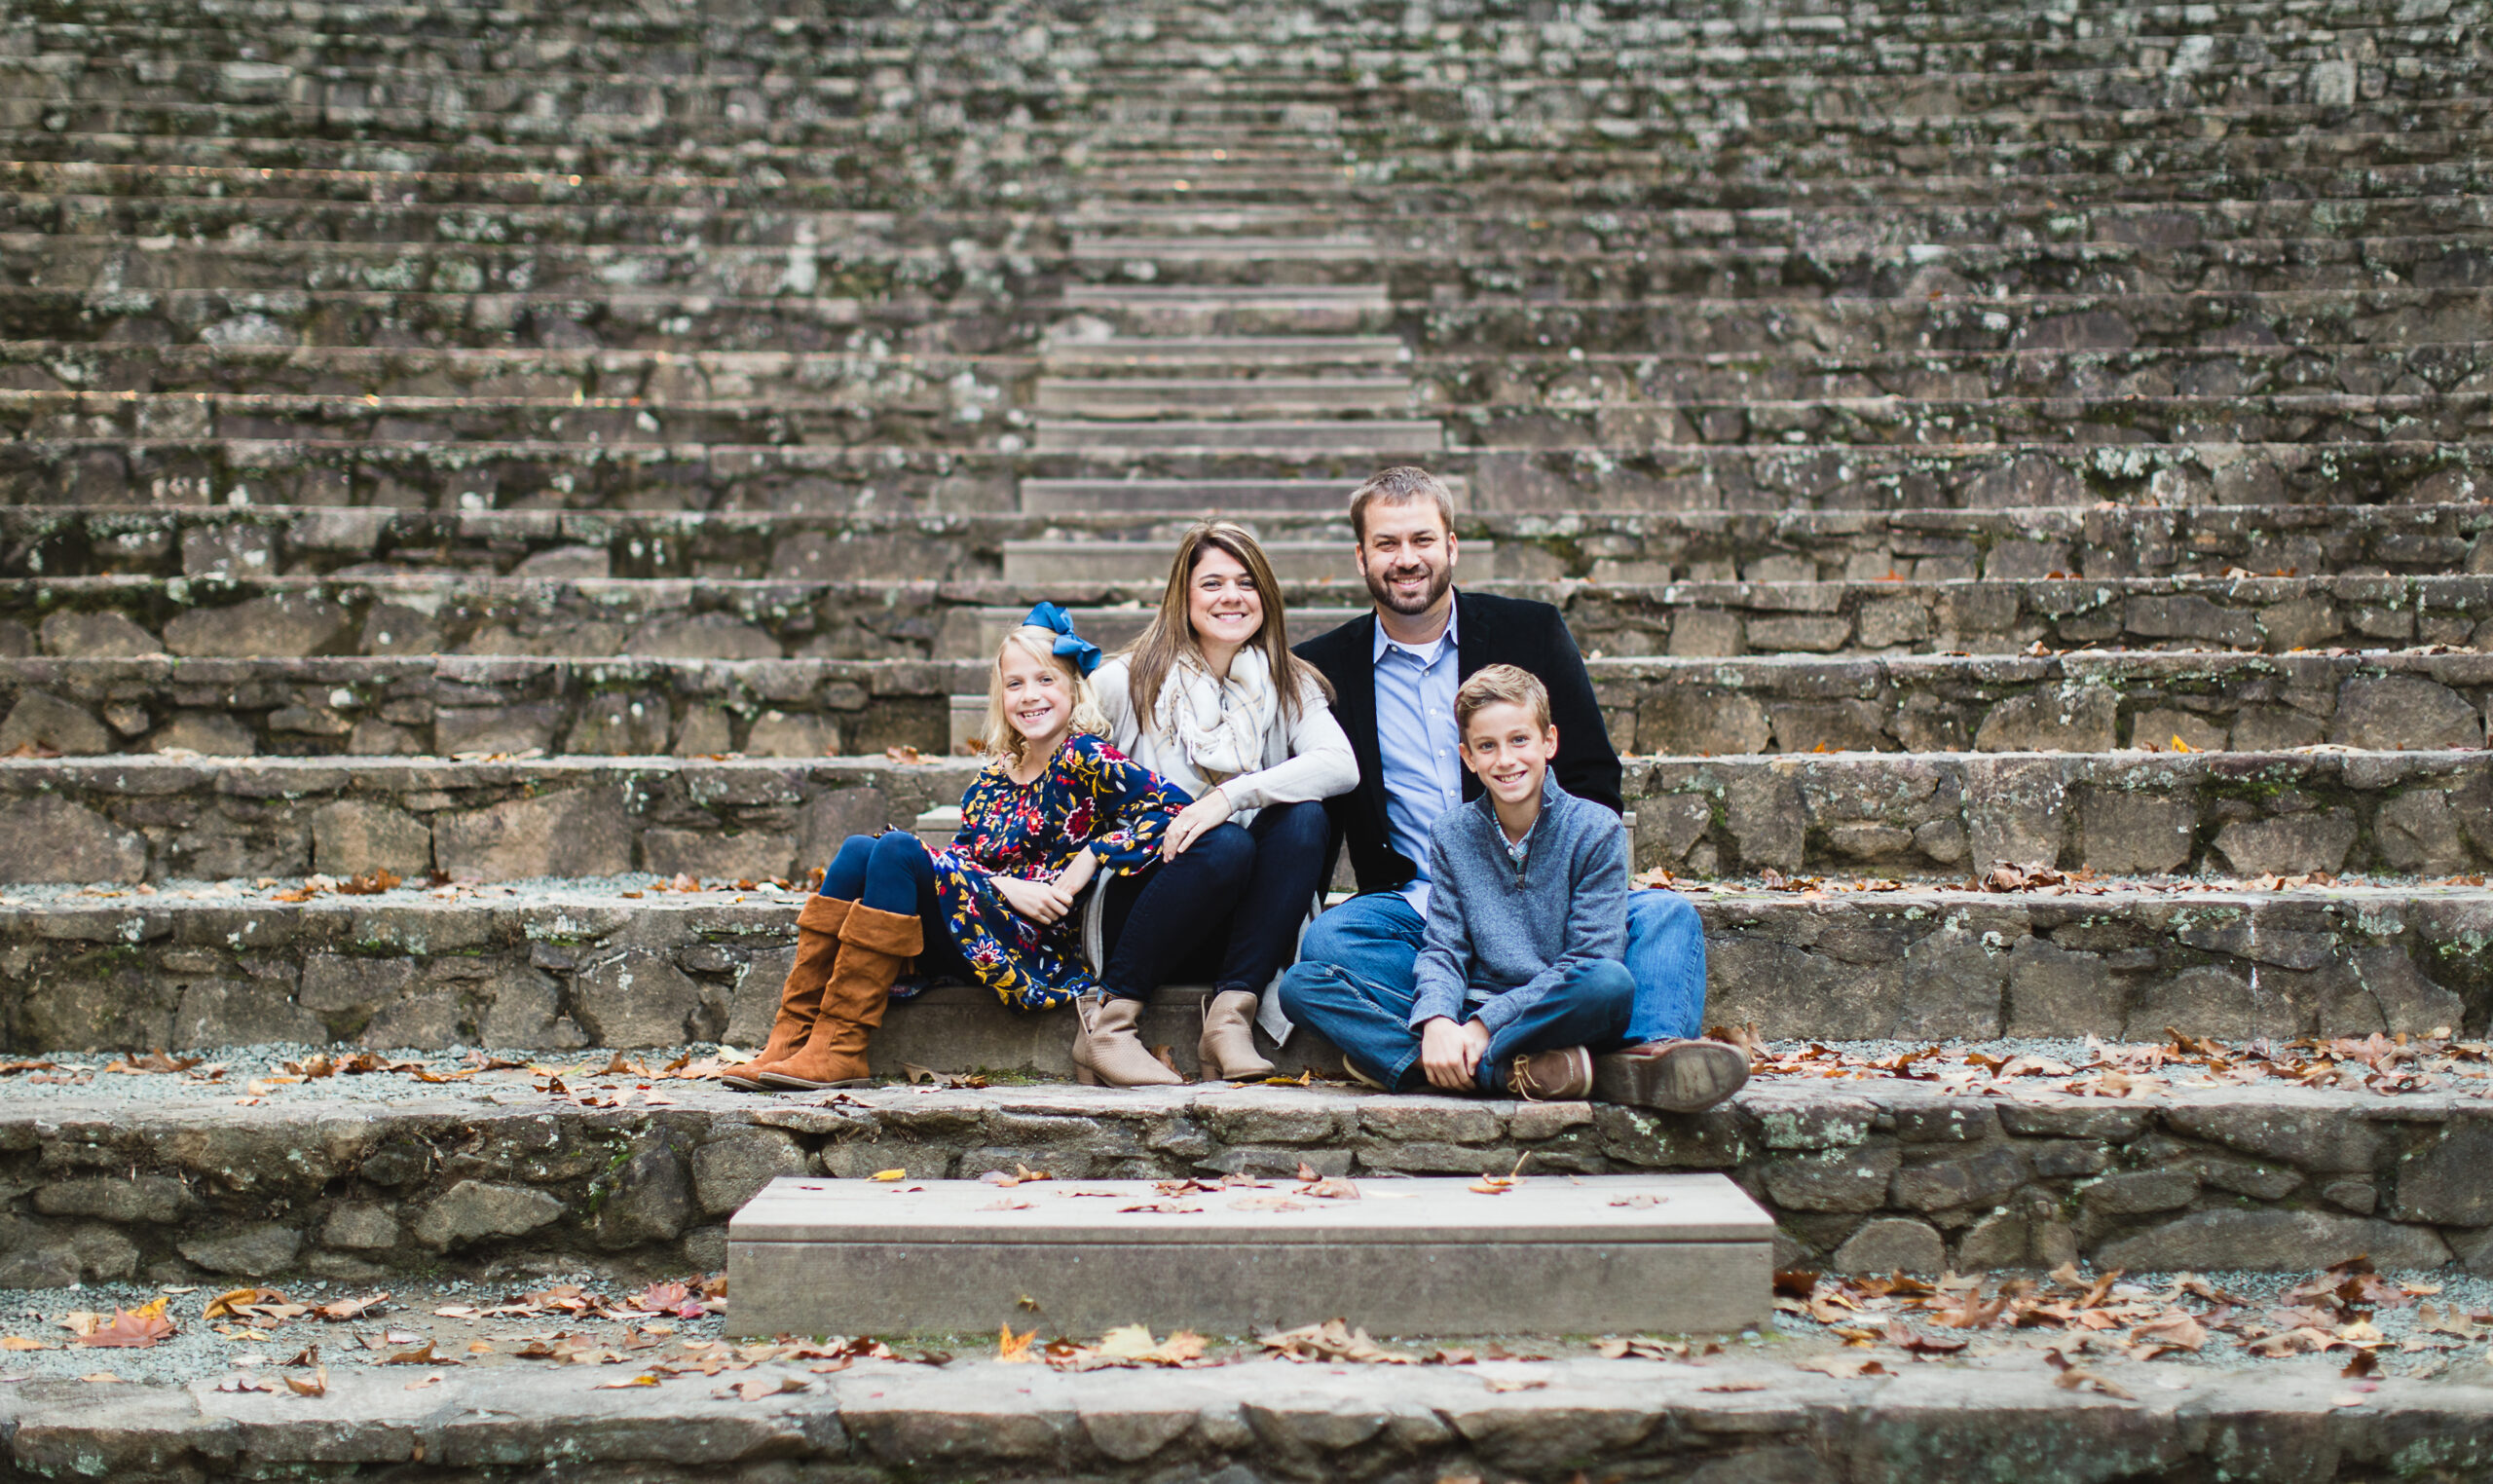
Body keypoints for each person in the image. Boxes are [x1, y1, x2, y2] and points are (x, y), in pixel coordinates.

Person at [1281, 464, 1746, 1111]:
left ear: (1452, 545)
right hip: (1422, 906)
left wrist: (1552, 881)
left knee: (1665, 915)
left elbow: (1592, 778)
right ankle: (1531, 1063)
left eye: (1421, 539)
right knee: (1329, 946)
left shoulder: (1531, 631)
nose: (1406, 559)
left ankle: (1649, 1054)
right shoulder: (1324, 668)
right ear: (1362, 556)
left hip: (1548, 894)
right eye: (1386, 544)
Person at [721, 604, 1189, 1092]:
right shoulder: (994, 774)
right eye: (1015, 684)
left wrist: (1092, 856)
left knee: (898, 850)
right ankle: (792, 1038)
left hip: (1031, 944)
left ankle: (841, 1047)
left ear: (1073, 688)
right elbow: (965, 860)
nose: (1031, 696)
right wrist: (1003, 885)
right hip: (979, 921)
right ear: (1000, 695)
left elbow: (1173, 808)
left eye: (1046, 680)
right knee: (859, 850)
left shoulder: (1086, 756)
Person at [1084, 522, 1358, 1086]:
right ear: (1182, 596)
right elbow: (1063, 785)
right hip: (1144, 914)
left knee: (1305, 816)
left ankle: (1230, 1019)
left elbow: (1341, 765)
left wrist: (1229, 796)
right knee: (1225, 843)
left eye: (1246, 582)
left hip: (1245, 933)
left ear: (1266, 597)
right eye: (1212, 583)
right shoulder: (1124, 681)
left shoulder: (1288, 682)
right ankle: (1108, 1027)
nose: (1231, 596)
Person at [1291, 665, 1644, 1098]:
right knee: (1301, 986)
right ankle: (1504, 1071)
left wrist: (1481, 1028)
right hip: (1471, 1000)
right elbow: (1444, 946)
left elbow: (1588, 960)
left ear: (1549, 741)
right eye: (1487, 746)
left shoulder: (1595, 828)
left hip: (1552, 1003)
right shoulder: (1452, 833)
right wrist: (1438, 1019)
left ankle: (1427, 1063)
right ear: (1468, 757)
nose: (1506, 759)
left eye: (1519, 740)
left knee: (1609, 982)